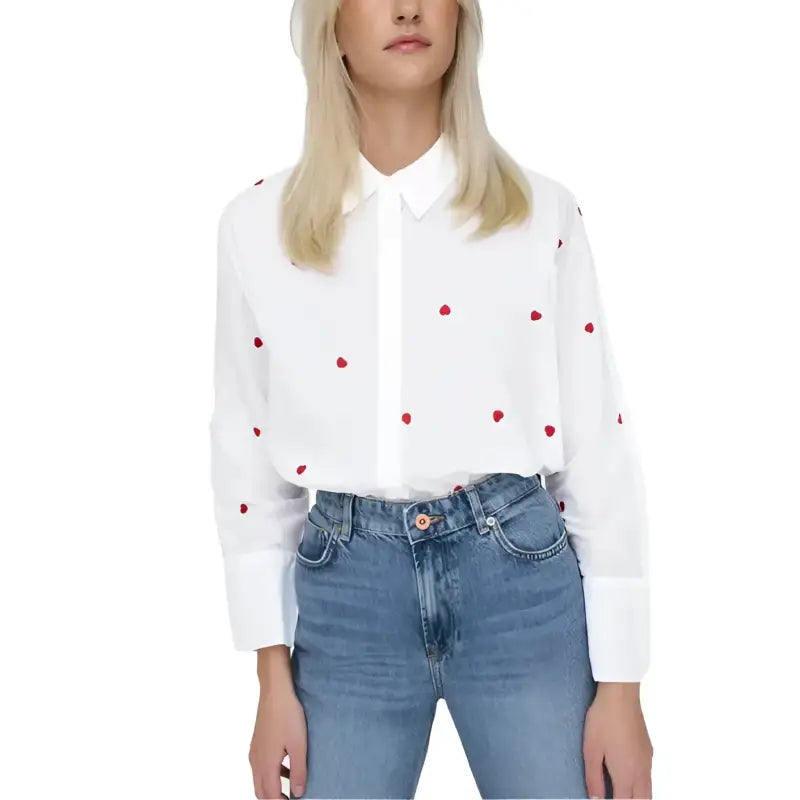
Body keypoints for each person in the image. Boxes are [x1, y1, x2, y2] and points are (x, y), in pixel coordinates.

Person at [208, 1, 654, 798]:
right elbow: (247, 460)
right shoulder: (257, 228)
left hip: (520, 585)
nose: (408, 8)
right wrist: (271, 677)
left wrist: (621, 689)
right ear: (330, 23)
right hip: (348, 600)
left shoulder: (539, 214)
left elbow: (596, 443)